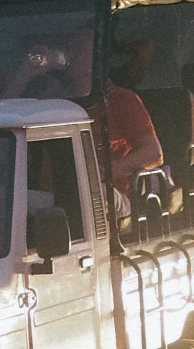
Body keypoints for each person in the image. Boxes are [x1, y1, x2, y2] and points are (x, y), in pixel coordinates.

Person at [9, 18, 162, 215]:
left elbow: (153, 153)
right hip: (54, 200)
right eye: (68, 47)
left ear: (97, 56)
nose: (70, 53)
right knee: (2, 199)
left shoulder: (122, 99)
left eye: (78, 48)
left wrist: (106, 170)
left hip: (109, 194)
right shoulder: (50, 101)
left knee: (90, 199)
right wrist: (25, 75)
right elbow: (1, 119)